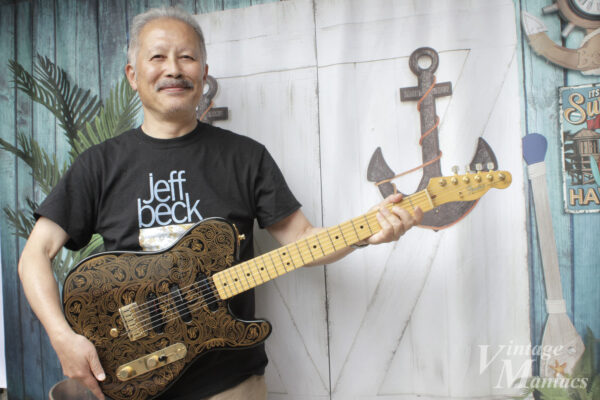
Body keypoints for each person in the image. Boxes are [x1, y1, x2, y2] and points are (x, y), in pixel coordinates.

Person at [18, 7, 423, 400]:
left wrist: (365, 232)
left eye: (187, 57)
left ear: (204, 73)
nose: (173, 69)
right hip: (130, 379)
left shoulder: (246, 158)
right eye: (157, 57)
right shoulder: (98, 165)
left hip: (229, 384)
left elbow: (302, 239)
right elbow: (35, 254)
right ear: (133, 76)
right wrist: (61, 337)